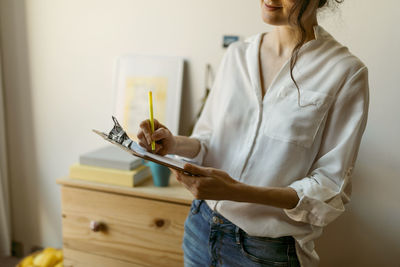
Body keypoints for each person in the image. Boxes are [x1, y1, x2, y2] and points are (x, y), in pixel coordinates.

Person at [137, 0, 369, 266]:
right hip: (199, 229)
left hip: (264, 252)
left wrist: (237, 191)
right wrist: (173, 143)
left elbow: (329, 188)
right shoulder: (236, 54)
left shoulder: (345, 72)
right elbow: (210, 141)